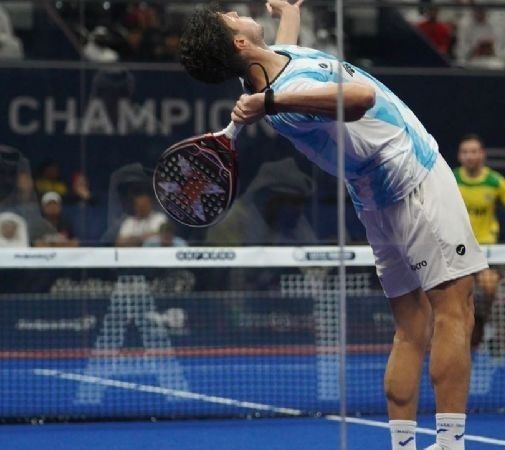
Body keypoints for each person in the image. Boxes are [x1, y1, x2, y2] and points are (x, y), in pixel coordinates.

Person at [179, 3, 489, 449]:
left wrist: (289, 11)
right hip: (413, 182)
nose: (234, 10)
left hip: (377, 201)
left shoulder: (265, 69)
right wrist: (270, 103)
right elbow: (360, 98)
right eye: (230, 18)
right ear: (240, 42)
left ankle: (402, 445)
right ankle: (450, 444)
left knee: (410, 328)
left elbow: (283, 51)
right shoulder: (288, 92)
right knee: (454, 311)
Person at [454, 134, 505, 356]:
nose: (470, 156)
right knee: (455, 294)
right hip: (458, 248)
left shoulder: (494, 180)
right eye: (465, 152)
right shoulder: (451, 178)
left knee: (489, 286)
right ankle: (463, 333)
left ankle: (490, 330)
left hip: (487, 248)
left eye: (474, 151)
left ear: (482, 154)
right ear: (460, 156)